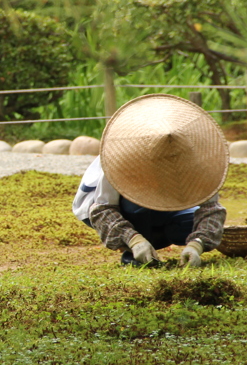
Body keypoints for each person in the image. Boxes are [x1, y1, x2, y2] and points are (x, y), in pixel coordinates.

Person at [72, 94, 229, 268]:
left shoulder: (197, 159)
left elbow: (211, 209)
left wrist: (196, 244)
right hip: (103, 207)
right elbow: (103, 209)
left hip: (163, 205)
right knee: (136, 205)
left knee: (188, 222)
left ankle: (155, 239)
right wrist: (134, 240)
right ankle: (135, 253)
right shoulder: (120, 160)